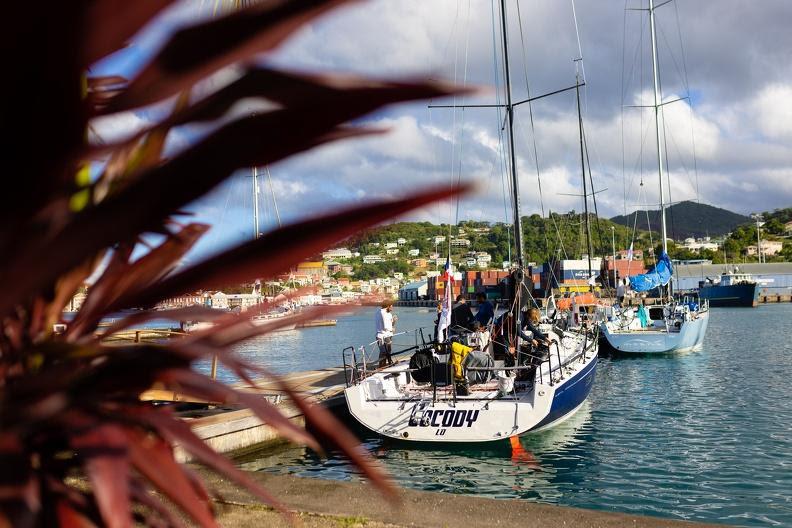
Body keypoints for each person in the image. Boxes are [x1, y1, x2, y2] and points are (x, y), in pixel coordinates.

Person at [375, 299, 396, 367]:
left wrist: (394, 321)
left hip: (380, 335)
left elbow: (387, 324)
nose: (392, 307)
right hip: (385, 335)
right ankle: (384, 366)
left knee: (384, 352)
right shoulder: (385, 314)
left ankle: (385, 365)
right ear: (388, 306)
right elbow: (386, 327)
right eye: (391, 306)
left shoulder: (378, 312)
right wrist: (392, 329)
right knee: (386, 352)